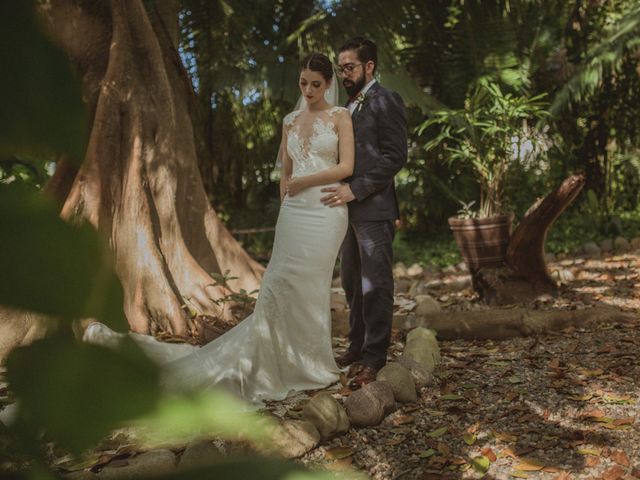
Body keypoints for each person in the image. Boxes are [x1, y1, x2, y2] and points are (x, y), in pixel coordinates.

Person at [84, 53, 355, 405]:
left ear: (329, 84)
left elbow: (346, 166)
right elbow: (285, 174)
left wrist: (307, 181)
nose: (308, 90)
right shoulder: (290, 120)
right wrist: (287, 204)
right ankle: (275, 359)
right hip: (294, 214)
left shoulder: (340, 117)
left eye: (316, 85)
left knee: (313, 287)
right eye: (303, 83)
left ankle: (312, 362)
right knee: (279, 284)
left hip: (327, 211)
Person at [321, 37, 407, 388]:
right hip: (347, 211)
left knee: (376, 284)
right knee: (353, 283)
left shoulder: (386, 100)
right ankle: (357, 347)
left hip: (373, 208)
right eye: (341, 68)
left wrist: (355, 189)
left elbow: (395, 157)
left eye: (350, 67)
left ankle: (375, 356)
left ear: (369, 66)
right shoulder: (348, 107)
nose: (344, 74)